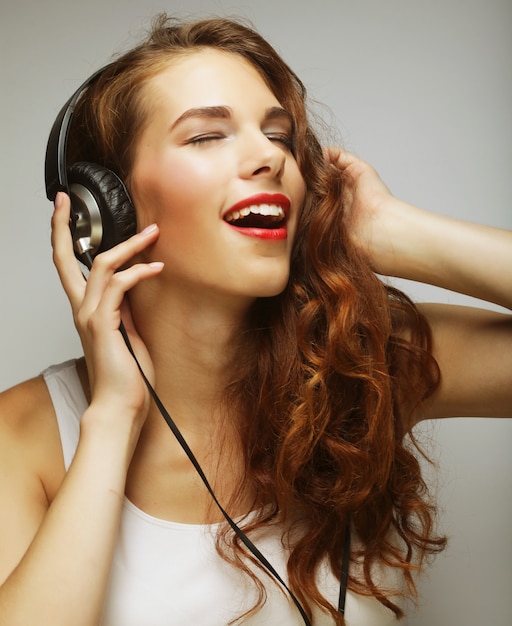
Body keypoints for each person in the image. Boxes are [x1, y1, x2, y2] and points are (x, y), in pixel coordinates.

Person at [0, 14, 510, 626]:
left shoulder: (365, 362)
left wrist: (398, 234)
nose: (268, 156)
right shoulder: (24, 435)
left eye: (280, 136)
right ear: (104, 209)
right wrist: (112, 417)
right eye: (206, 136)